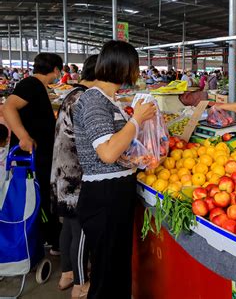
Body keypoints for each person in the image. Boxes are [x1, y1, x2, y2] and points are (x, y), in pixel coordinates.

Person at [73, 41, 156, 299]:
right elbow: (108, 152)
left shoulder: (107, 99)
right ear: (123, 67)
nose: (136, 74)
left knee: (116, 267)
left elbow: (117, 148)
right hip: (104, 195)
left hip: (114, 191)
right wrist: (136, 120)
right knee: (108, 273)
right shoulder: (95, 100)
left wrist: (137, 157)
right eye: (134, 67)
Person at [3, 53, 63, 253]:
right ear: (55, 70)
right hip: (31, 154)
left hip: (40, 153)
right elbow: (8, 107)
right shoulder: (30, 85)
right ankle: (50, 237)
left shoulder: (38, 87)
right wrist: (24, 137)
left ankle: (49, 236)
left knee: (44, 193)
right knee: (40, 194)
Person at [51, 54, 98, 299]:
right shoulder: (85, 99)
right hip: (76, 173)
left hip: (61, 170)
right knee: (81, 230)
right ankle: (81, 284)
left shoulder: (71, 94)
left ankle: (67, 274)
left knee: (68, 225)